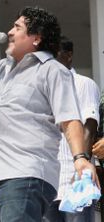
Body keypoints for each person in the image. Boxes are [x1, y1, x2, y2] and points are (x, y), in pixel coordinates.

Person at [0, 6, 99, 222]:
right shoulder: (3, 69)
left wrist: (80, 158)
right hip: (6, 174)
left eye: (17, 27)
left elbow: (70, 119)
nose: (11, 32)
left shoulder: (52, 70)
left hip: (26, 172)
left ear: (36, 38)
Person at [43, 36, 100, 222]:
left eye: (54, 55)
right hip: (49, 183)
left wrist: (81, 164)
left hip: (75, 182)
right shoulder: (44, 86)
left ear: (68, 56)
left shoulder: (84, 83)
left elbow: (89, 127)